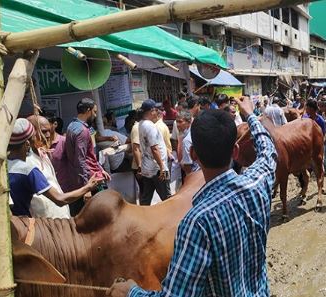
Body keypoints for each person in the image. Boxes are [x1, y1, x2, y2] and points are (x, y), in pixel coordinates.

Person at [107, 97, 277, 297]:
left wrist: (130, 292)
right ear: (236, 151)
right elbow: (268, 151)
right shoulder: (258, 183)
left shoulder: (197, 223)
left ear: (193, 154)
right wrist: (250, 115)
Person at [8, 118, 100, 217]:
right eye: (42, 132)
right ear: (27, 143)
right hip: (44, 226)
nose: (47, 135)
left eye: (50, 131)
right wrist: (88, 187)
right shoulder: (29, 169)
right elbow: (59, 199)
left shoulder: (7, 165)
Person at [65, 98, 111, 215]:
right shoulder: (82, 131)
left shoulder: (72, 126)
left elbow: (87, 157)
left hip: (86, 177)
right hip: (91, 180)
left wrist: (100, 168)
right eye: (94, 112)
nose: (95, 115)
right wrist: (86, 188)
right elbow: (80, 160)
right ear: (88, 110)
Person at [138, 99, 171, 205]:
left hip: (148, 168)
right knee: (167, 197)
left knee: (146, 198)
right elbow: (154, 148)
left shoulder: (142, 124)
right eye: (156, 110)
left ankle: (142, 217)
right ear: (151, 111)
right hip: (158, 168)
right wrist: (162, 167)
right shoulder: (150, 126)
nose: (158, 112)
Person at [177, 110, 200, 174]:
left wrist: (181, 163)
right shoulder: (195, 132)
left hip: (193, 175)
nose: (178, 125)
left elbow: (187, 166)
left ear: (189, 122)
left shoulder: (187, 140)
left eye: (180, 122)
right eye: (177, 121)